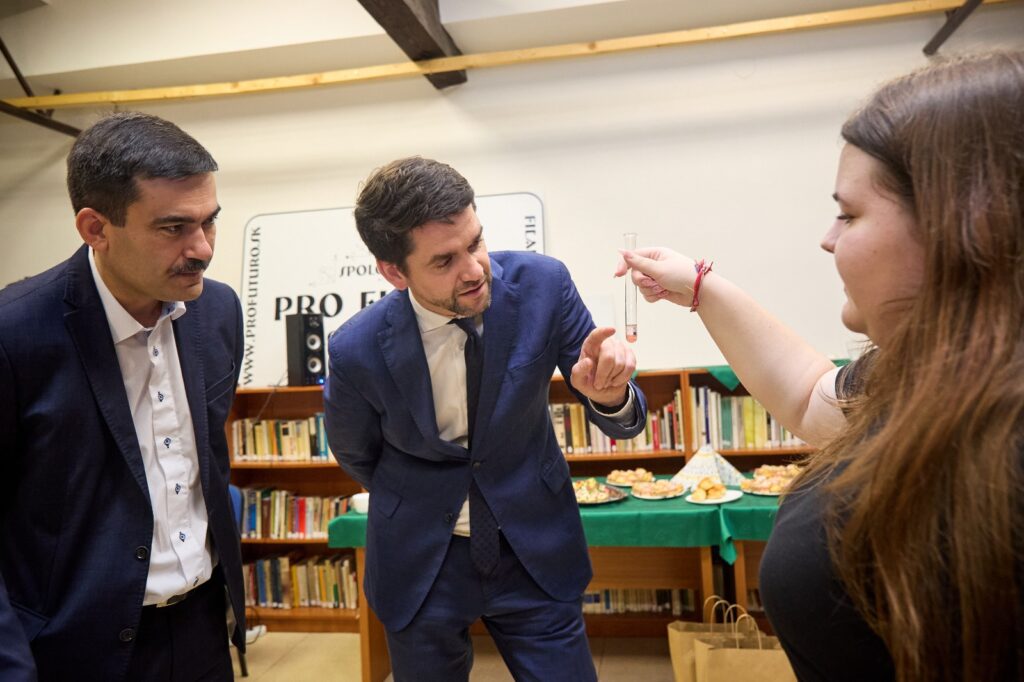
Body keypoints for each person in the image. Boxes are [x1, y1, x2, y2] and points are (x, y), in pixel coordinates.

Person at [617, 51, 1024, 682]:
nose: (828, 239)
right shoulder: (916, 375)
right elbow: (811, 396)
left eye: (850, 214)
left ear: (959, 227)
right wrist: (697, 285)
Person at [324, 156, 648, 681]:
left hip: (533, 544)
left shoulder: (544, 286)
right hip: (421, 560)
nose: (475, 270)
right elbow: (356, 453)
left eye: (476, 243)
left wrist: (609, 397)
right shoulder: (355, 349)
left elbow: (614, 408)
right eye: (444, 261)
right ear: (394, 272)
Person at [0, 112, 246, 681]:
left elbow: (208, 463)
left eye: (209, 221)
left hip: (203, 629)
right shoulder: (15, 336)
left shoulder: (218, 312)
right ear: (95, 228)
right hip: (71, 648)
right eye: (173, 227)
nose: (202, 248)